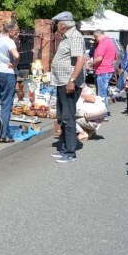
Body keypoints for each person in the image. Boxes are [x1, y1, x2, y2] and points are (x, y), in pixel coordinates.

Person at [49, 12, 85, 163]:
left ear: (63, 24)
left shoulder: (75, 36)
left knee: (68, 117)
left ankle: (70, 152)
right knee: (61, 116)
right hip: (61, 82)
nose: (56, 26)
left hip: (68, 83)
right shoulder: (66, 37)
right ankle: (64, 148)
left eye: (57, 23)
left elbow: (80, 60)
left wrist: (72, 80)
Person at [90, 30, 116, 107]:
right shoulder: (110, 42)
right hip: (108, 69)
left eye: (95, 38)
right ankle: (104, 113)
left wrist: (91, 64)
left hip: (103, 70)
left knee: (101, 94)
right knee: (104, 92)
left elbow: (99, 58)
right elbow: (115, 57)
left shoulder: (103, 43)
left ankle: (102, 114)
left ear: (97, 36)